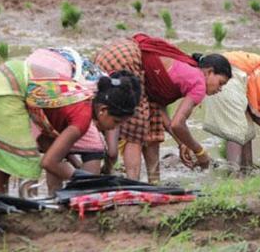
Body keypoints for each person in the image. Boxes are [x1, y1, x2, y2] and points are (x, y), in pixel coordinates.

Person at [0, 47, 140, 195]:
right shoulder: (82, 118)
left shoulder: (81, 97)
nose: (115, 128)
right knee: (22, 159)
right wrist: (81, 178)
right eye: (116, 122)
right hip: (8, 87)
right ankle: (7, 210)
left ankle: (1, 205)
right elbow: (48, 162)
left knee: (7, 157)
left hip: (2, 75)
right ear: (103, 110)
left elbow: (51, 144)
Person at [94, 34, 231, 182]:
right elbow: (177, 124)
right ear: (209, 72)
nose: (220, 89)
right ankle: (133, 184)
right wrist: (200, 151)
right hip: (127, 59)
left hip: (113, 52)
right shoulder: (199, 83)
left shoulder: (186, 69)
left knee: (153, 121)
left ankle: (154, 181)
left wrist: (182, 143)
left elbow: (161, 113)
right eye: (221, 83)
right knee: (136, 128)